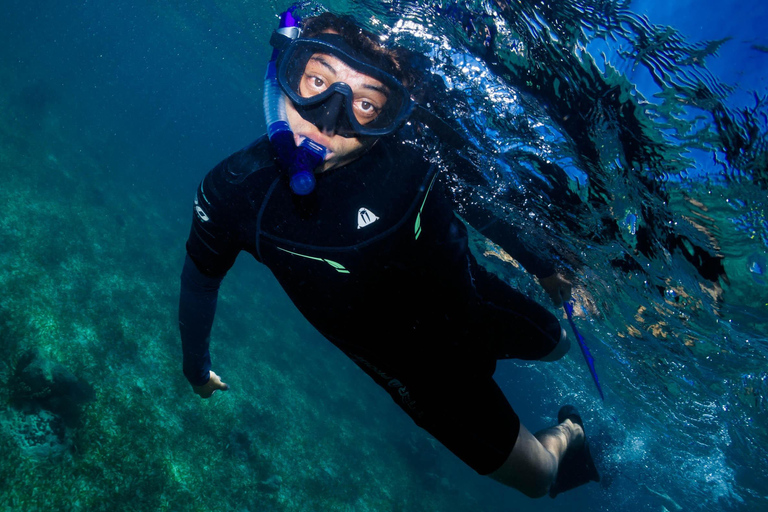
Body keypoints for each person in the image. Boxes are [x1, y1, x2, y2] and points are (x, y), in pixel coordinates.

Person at [178, 11, 599, 499]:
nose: (327, 116)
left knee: (561, 345)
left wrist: (542, 266)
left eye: (364, 104)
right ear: (285, 73)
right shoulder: (237, 193)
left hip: (474, 303)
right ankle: (572, 431)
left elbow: (476, 204)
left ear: (389, 114)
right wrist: (196, 365)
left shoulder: (415, 148)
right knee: (540, 478)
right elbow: (200, 279)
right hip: (418, 372)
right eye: (317, 80)